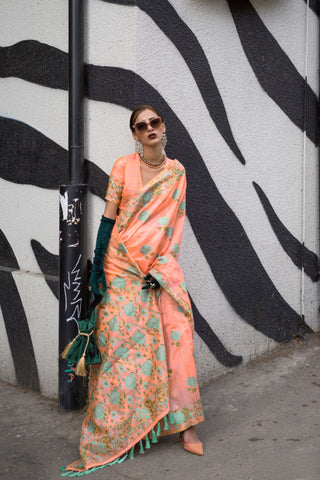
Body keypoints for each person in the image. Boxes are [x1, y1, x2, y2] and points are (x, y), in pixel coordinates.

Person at [64, 105, 205, 476]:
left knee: (176, 334)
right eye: (141, 126)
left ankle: (186, 426)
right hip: (120, 266)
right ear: (136, 135)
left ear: (163, 127)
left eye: (154, 122)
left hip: (157, 268)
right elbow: (110, 218)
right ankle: (109, 433)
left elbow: (174, 225)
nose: (149, 129)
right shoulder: (122, 167)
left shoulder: (176, 173)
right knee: (118, 348)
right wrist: (97, 267)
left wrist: (161, 268)